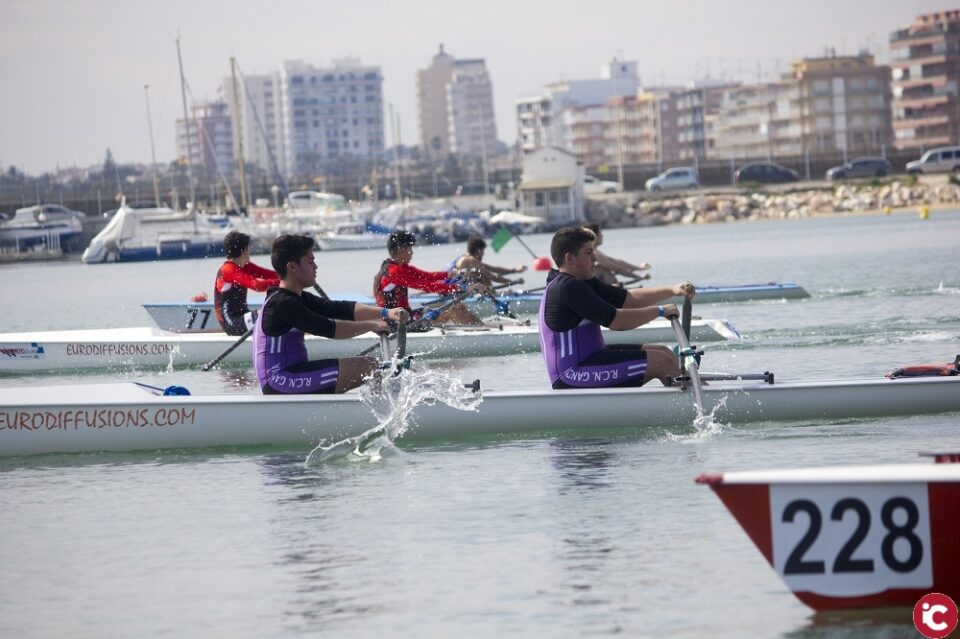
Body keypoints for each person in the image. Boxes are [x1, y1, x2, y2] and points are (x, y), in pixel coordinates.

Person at [539, 225, 695, 389]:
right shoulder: (568, 287)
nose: (595, 259)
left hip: (591, 359)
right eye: (589, 253)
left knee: (663, 352)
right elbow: (618, 322)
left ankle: (686, 395)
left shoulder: (582, 282)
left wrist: (672, 290)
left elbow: (628, 299)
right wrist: (660, 311)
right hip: (572, 375)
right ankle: (704, 405)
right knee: (660, 361)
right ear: (570, 259)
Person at [254, 234, 405, 395]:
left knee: (371, 367)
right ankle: (383, 411)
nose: (316, 267)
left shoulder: (296, 297)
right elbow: (331, 329)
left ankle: (376, 406)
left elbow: (338, 308)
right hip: (280, 381)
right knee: (370, 367)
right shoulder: (283, 303)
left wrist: (386, 312)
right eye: (310, 262)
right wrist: (372, 325)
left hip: (290, 375)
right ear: (292, 267)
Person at [374, 231, 482, 325]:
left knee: (457, 306)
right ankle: (480, 332)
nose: (412, 252)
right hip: (397, 322)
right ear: (401, 250)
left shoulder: (401, 267)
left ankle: (480, 329)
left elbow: (427, 277)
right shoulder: (394, 271)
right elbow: (427, 286)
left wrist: (452, 274)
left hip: (405, 315)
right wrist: (462, 288)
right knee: (454, 308)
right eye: (410, 249)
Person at [214, 231, 280, 336]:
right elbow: (257, 285)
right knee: (274, 313)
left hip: (243, 317)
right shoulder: (228, 270)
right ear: (244, 251)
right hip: (232, 323)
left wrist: (290, 275)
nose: (249, 252)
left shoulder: (246, 266)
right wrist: (286, 282)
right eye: (248, 248)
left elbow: (271, 275)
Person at [585, 223, 652, 286]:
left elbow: (616, 262)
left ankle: (615, 288)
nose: (602, 236)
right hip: (584, 282)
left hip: (589, 279)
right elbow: (617, 269)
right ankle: (615, 292)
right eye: (600, 233)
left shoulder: (595, 251)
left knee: (606, 267)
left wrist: (639, 268)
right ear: (595, 237)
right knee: (603, 268)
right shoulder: (594, 252)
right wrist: (639, 277)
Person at [454, 236, 527, 289]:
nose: (483, 254)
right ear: (478, 250)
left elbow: (492, 269)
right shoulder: (471, 260)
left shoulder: (465, 258)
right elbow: (491, 276)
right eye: (483, 251)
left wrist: (514, 270)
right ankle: (492, 295)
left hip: (461, 288)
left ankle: (492, 293)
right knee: (482, 276)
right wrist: (513, 282)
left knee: (480, 275)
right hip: (461, 291)